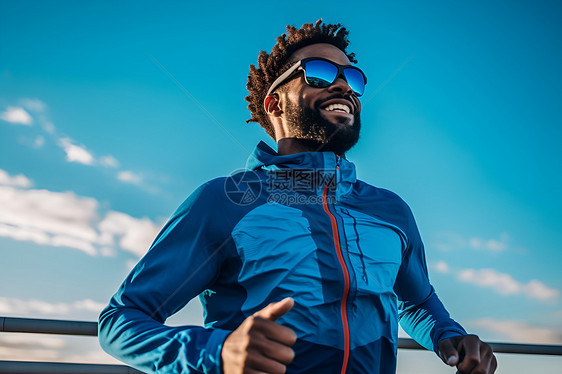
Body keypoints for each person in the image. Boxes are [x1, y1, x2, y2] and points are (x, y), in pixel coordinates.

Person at [99, 20, 497, 374]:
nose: (343, 85)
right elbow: (120, 321)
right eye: (319, 73)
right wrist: (219, 353)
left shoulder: (391, 210)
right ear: (273, 103)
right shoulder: (226, 200)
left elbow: (416, 301)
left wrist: (450, 337)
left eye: (352, 77)